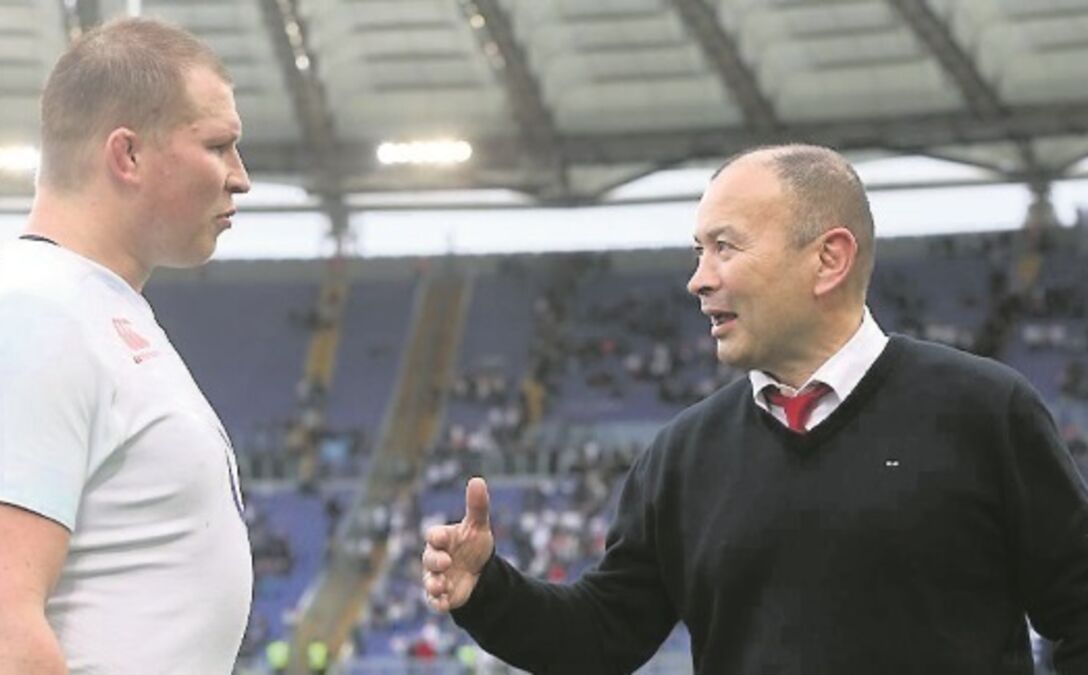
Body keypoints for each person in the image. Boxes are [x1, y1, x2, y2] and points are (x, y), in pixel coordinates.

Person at [421, 144, 1088, 674]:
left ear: (828, 259)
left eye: (725, 247)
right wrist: (488, 590)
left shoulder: (984, 413)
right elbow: (600, 637)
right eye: (698, 251)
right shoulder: (683, 457)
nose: (698, 279)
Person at [0, 17, 252, 673]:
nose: (240, 177)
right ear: (127, 155)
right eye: (218, 146)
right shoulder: (27, 313)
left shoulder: (91, 307)